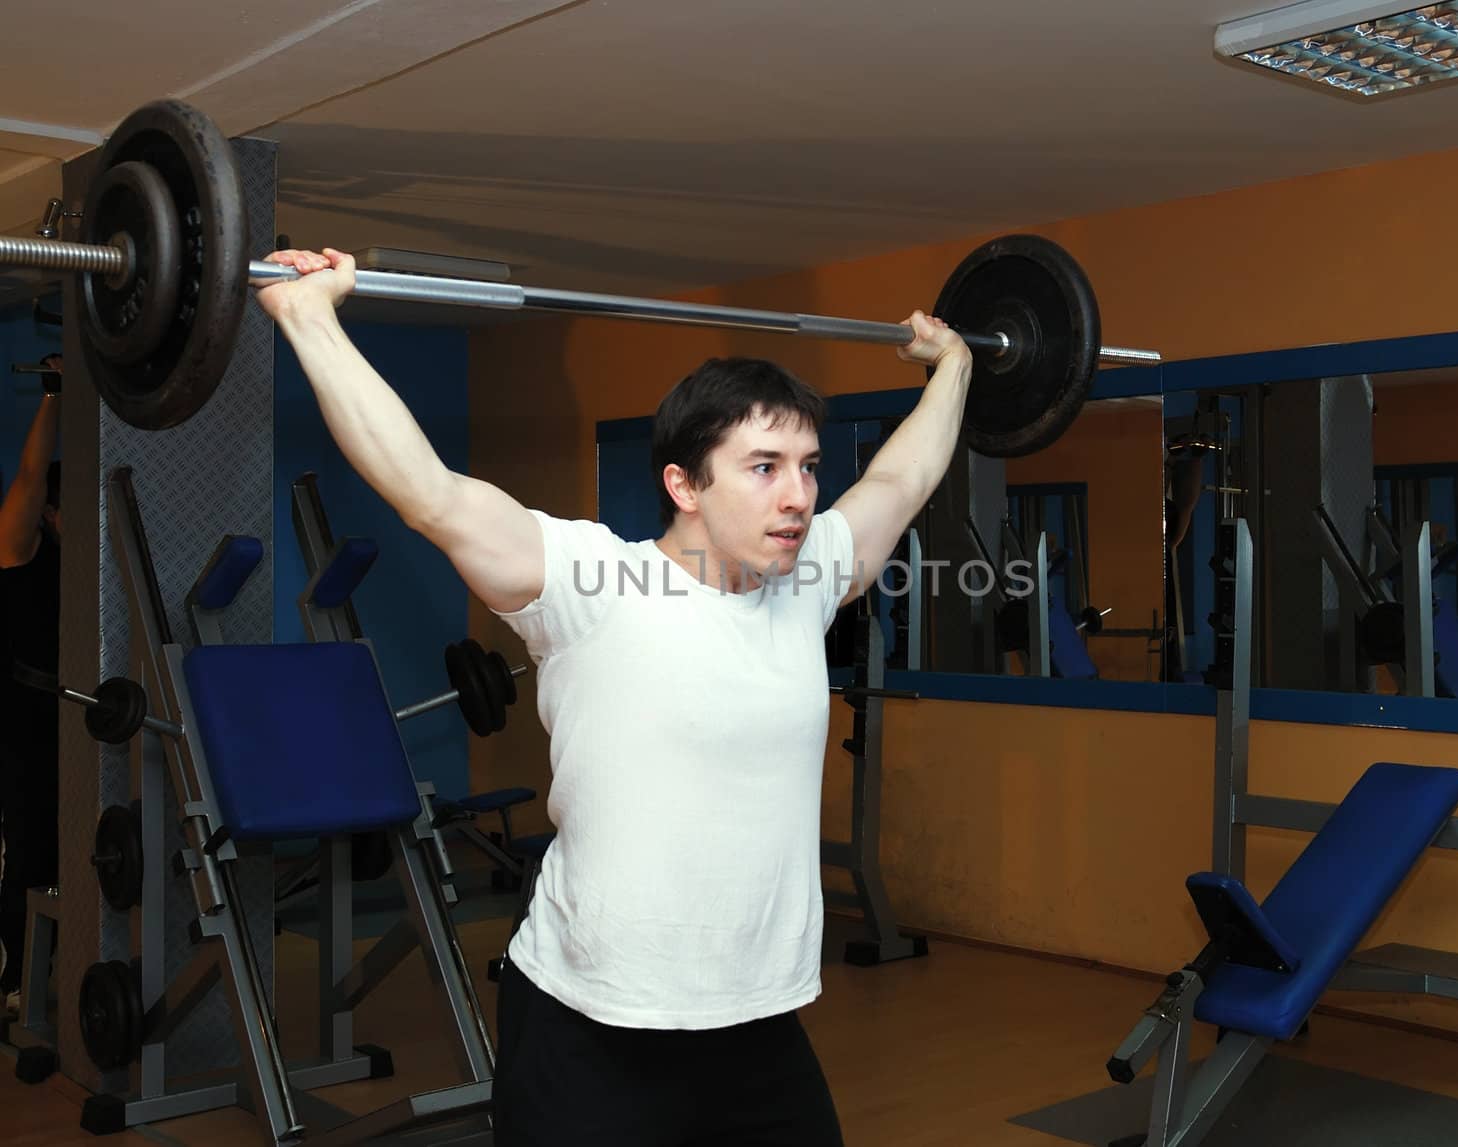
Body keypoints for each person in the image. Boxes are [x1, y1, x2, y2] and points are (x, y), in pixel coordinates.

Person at [256, 248, 972, 1146]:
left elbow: (902, 481)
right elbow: (428, 494)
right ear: (682, 484)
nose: (797, 495)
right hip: (590, 1017)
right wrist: (308, 318)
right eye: (762, 466)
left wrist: (956, 369)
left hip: (756, 1018)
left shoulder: (809, 578)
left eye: (807, 465)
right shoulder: (596, 582)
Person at [0, 354, 62, 1017]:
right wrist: (55, 394)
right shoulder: (19, 550)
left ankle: (64, 969)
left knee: (83, 849)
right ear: (48, 513)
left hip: (79, 716)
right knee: (31, 847)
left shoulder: (96, 566)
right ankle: (18, 977)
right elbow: (28, 475)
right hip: (20, 720)